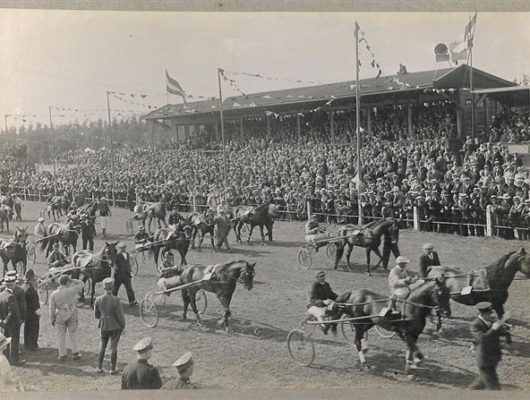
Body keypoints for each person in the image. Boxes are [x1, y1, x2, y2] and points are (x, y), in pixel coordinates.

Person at [468, 302, 508, 390]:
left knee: (481, 381)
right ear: (482, 314)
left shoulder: (490, 320)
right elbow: (483, 339)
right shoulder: (475, 325)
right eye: (489, 313)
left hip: (493, 357)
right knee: (494, 387)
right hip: (485, 359)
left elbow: (498, 333)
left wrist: (503, 327)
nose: (491, 315)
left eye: (491, 312)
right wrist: (494, 328)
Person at [94, 277, 125, 375]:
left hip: (104, 325)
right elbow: (120, 315)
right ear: (112, 287)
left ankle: (99, 366)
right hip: (115, 326)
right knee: (114, 347)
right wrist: (122, 326)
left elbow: (96, 314)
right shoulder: (116, 300)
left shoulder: (98, 299)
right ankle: (113, 368)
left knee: (102, 346)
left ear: (104, 288)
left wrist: (102, 317)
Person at [49, 275, 84, 361]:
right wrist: (73, 280)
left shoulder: (54, 294)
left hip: (60, 315)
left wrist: (52, 318)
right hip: (72, 314)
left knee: (60, 335)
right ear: (67, 282)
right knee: (73, 333)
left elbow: (52, 308)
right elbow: (82, 284)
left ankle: (62, 355)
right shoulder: (71, 290)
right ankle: (75, 352)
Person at [0, 274, 22, 365]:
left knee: (6, 342)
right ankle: (15, 359)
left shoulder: (1, 295)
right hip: (12, 323)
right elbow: (12, 312)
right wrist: (7, 321)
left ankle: (7, 359)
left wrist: (2, 321)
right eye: (14, 285)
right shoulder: (11, 296)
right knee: (14, 341)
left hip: (4, 323)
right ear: (11, 285)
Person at [307, 271, 338, 335]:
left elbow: (331, 294)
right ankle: (323, 326)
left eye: (324, 276)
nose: (323, 277)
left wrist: (340, 298)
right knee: (320, 313)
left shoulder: (326, 284)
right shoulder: (315, 285)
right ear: (317, 277)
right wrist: (323, 301)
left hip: (325, 305)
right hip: (316, 305)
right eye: (321, 276)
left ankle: (332, 324)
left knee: (337, 307)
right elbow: (313, 299)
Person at [23, 269, 40, 351]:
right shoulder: (30, 289)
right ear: (31, 278)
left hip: (26, 312)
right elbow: (34, 302)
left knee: (27, 328)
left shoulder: (24, 286)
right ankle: (33, 345)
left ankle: (27, 344)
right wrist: (38, 311)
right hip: (32, 312)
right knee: (33, 328)